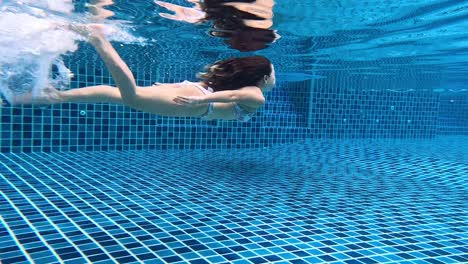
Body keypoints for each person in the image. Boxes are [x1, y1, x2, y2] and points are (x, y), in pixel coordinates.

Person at [10, 25, 276, 122]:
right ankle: (99, 40)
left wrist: (179, 88)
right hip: (195, 104)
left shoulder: (252, 90)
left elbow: (226, 94)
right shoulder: (257, 96)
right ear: (263, 78)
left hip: (194, 93)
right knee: (132, 96)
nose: (275, 78)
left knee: (111, 94)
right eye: (273, 73)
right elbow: (231, 95)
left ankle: (21, 97)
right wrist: (199, 102)